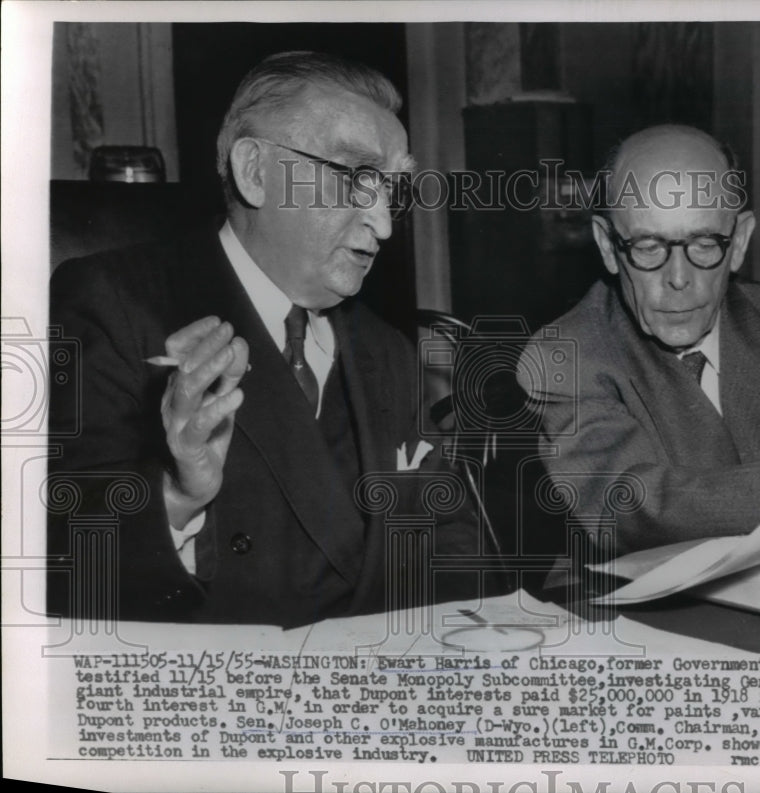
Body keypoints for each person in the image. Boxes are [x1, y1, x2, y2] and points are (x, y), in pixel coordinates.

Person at [47, 51, 480, 627]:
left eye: (392, 189)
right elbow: (67, 562)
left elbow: (446, 532)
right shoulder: (112, 304)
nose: (384, 223)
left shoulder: (388, 350)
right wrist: (178, 496)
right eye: (357, 179)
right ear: (255, 173)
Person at [519, 124, 760, 555]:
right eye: (647, 246)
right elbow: (624, 505)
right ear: (608, 246)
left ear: (738, 242)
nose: (679, 279)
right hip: (620, 605)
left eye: (703, 244)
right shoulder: (565, 355)